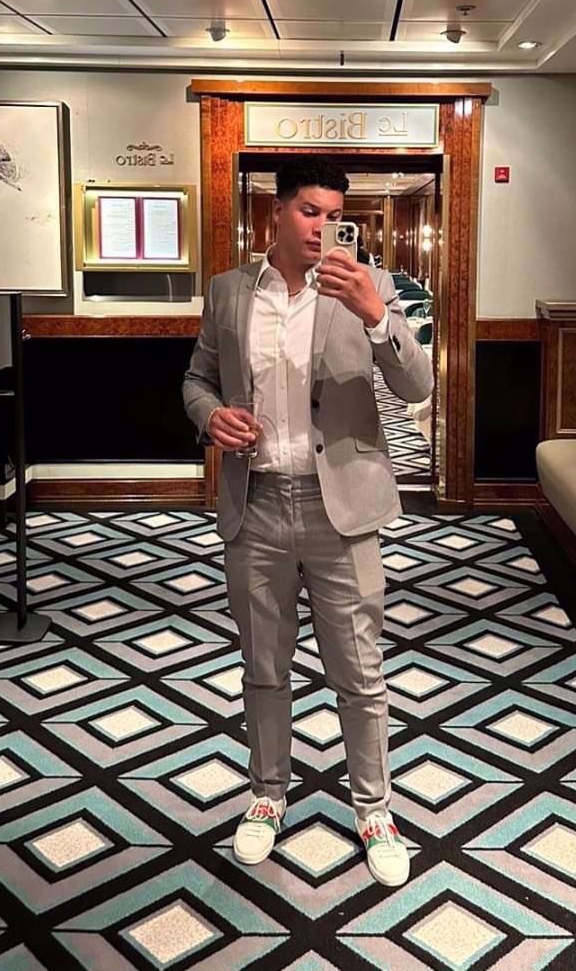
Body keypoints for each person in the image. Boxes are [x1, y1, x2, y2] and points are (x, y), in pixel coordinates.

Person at [183, 157, 433, 887]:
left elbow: (417, 384)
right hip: (257, 503)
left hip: (340, 511)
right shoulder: (229, 291)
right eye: (310, 211)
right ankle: (267, 794)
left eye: (335, 215)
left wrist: (376, 316)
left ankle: (375, 809)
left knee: (360, 670)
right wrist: (210, 416)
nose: (324, 227)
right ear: (277, 211)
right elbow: (197, 378)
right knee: (263, 666)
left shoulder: (370, 285)